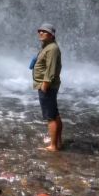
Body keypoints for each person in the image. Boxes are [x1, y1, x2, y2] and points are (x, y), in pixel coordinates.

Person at [32, 23, 63, 151]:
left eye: (44, 31)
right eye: (40, 31)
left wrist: (45, 84)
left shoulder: (52, 49)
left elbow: (51, 69)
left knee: (50, 117)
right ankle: (58, 142)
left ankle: (53, 146)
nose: (41, 33)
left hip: (47, 85)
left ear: (51, 35)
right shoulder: (48, 47)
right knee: (55, 114)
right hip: (47, 85)